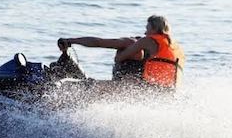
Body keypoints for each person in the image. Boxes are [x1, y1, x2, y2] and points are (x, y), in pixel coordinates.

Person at [57, 15, 185, 91]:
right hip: (167, 92)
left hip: (142, 90)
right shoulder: (175, 48)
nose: (145, 33)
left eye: (147, 29)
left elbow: (99, 43)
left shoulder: (144, 42)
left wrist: (70, 41)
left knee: (69, 85)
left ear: (154, 29)